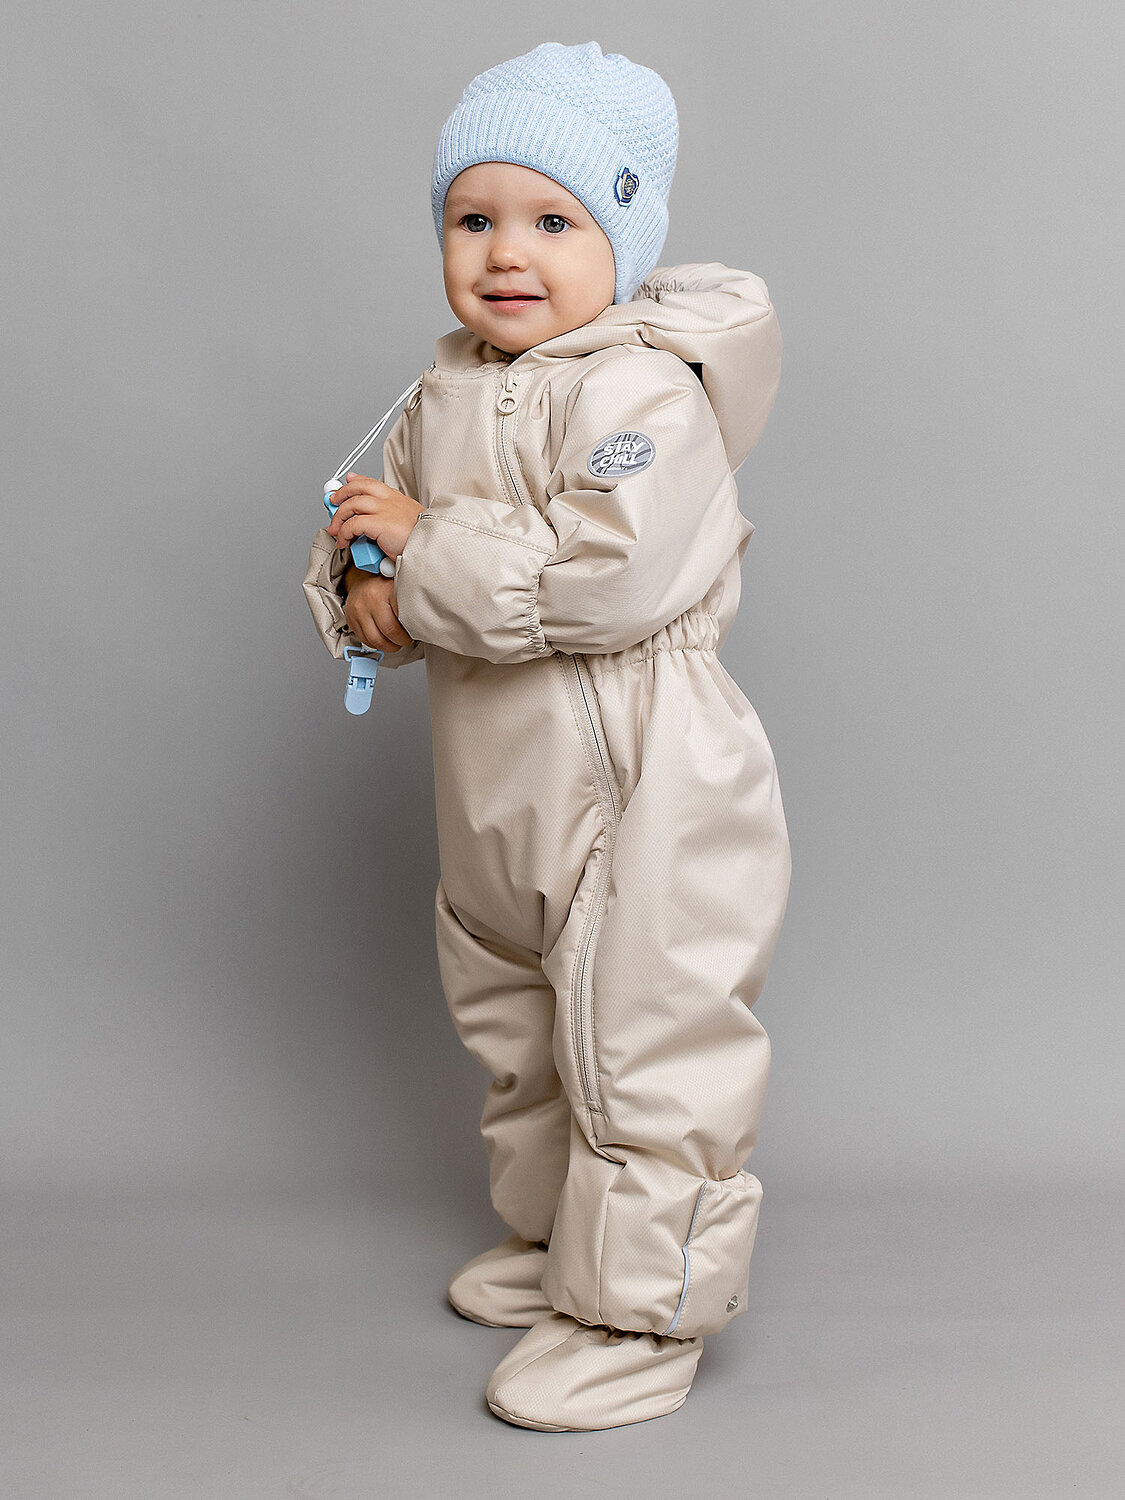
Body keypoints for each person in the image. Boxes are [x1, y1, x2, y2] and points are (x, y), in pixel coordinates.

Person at [302, 40, 791, 1432]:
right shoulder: (442, 390)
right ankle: (563, 1244)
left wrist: (423, 552)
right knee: (521, 1027)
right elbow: (381, 544)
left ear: (622, 239)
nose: (506, 253)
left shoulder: (644, 396)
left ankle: (641, 1314)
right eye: (474, 217)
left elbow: (599, 584)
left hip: (645, 777)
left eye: (554, 220)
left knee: (644, 1035)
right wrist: (364, 591)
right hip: (496, 783)